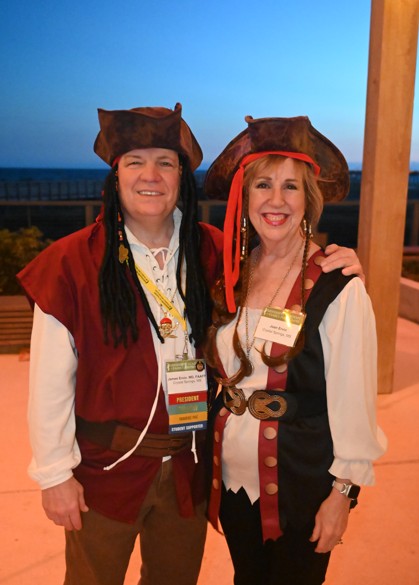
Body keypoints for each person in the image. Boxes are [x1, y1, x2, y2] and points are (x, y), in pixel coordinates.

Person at [17, 104, 364, 585]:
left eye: (166, 162)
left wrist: (339, 264)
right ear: (115, 175)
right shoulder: (69, 263)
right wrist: (55, 474)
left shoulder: (214, 251)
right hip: (105, 472)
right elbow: (49, 383)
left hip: (190, 468)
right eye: (135, 162)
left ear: (182, 175)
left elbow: (284, 266)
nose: (151, 176)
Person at [203, 115, 387, 585]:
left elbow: (354, 400)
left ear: (309, 199)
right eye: (263, 185)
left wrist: (343, 494)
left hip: (302, 487)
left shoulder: (338, 286)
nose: (276, 200)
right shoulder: (231, 274)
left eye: (291, 187)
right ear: (245, 197)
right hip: (233, 484)